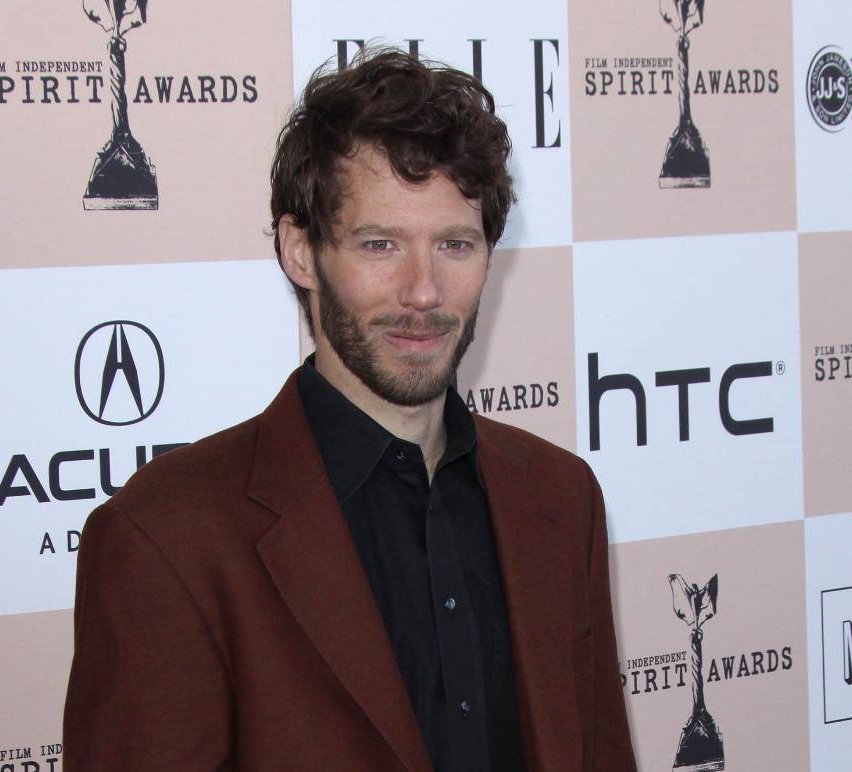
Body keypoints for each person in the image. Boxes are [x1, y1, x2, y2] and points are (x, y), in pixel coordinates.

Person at [63, 48, 637, 771]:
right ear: (300, 250)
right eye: (380, 244)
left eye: (454, 244)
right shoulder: (170, 539)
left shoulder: (560, 498)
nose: (422, 291)